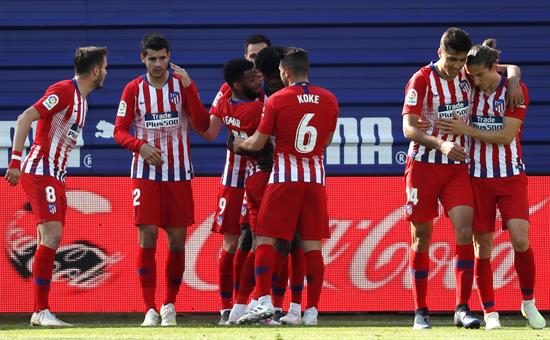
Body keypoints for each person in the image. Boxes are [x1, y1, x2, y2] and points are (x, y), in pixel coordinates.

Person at [401, 27, 523, 330]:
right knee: (423, 237)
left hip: (457, 169)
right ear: (440, 52)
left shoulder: (468, 74)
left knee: (465, 232)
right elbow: (408, 129)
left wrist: (515, 80)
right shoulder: (421, 79)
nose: (456, 66)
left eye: (460, 61)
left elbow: (504, 66)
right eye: (451, 59)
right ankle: (421, 312)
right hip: (424, 165)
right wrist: (441, 143)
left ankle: (462, 308)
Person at [438, 39, 546, 330]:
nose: (476, 81)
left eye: (481, 76)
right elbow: (448, 68)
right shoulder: (470, 86)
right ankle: (490, 312)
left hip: (511, 176)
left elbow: (505, 136)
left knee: (521, 239)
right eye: (472, 76)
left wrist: (513, 78)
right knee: (481, 245)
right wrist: (514, 72)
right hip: (475, 177)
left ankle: (529, 302)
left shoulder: (515, 92)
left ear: (494, 69)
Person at [233, 47, 339, 326]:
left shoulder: (278, 99)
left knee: (266, 239)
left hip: (284, 179)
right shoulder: (329, 99)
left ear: (286, 72)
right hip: (315, 180)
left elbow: (257, 143)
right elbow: (326, 140)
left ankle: (264, 300)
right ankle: (311, 311)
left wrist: (239, 144)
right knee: (311, 247)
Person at [4, 46, 108, 327]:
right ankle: (40, 311)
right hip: (41, 171)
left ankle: (41, 310)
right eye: (105, 67)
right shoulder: (63, 91)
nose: (106, 73)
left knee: (48, 239)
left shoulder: (82, 101)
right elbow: (25, 117)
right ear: (96, 70)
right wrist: (14, 161)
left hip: (56, 175)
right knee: (52, 235)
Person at [113, 33, 209, 327]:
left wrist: (191, 89)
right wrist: (139, 146)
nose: (157, 64)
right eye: (152, 59)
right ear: (142, 58)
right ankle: (149, 308)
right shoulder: (133, 89)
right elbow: (119, 131)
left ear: (169, 56)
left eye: (162, 58)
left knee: (177, 241)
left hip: (178, 174)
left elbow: (203, 125)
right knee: (148, 237)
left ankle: (169, 305)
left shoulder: (181, 85)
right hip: (145, 174)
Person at [200, 35, 271, 325]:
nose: (256, 66)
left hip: (264, 176)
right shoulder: (227, 92)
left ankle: (260, 302)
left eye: (260, 58)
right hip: (233, 176)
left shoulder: (273, 93)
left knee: (261, 242)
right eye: (252, 58)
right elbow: (209, 130)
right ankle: (226, 306)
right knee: (231, 243)